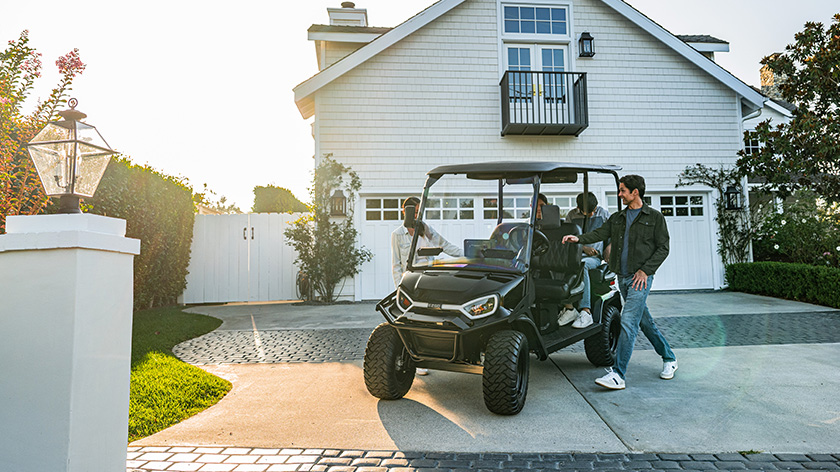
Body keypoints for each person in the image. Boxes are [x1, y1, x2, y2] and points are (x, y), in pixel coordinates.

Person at [561, 175, 677, 390]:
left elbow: (663, 248)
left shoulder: (654, 217)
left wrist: (645, 271)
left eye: (623, 190)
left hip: (640, 279)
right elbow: (600, 233)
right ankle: (669, 358)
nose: (619, 194)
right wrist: (578, 239)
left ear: (635, 192)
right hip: (623, 278)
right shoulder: (618, 218)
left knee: (628, 323)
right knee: (645, 322)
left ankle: (618, 374)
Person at [391, 197, 463, 375]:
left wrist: (468, 254)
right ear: (404, 211)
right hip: (411, 284)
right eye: (413, 211)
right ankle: (417, 361)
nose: (416, 215)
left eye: (419, 211)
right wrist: (400, 288)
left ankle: (433, 355)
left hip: (429, 280)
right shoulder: (397, 235)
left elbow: (445, 245)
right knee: (411, 322)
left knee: (430, 320)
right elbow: (396, 265)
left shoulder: (426, 230)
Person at [561, 192, 611, 329]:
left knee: (582, 265)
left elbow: (615, 233)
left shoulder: (603, 214)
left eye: (593, 210)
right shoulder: (572, 216)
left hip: (593, 258)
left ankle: (586, 311)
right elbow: (566, 239)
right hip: (575, 256)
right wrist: (583, 248)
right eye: (588, 212)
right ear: (579, 209)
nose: (592, 214)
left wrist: (609, 246)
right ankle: (569, 309)